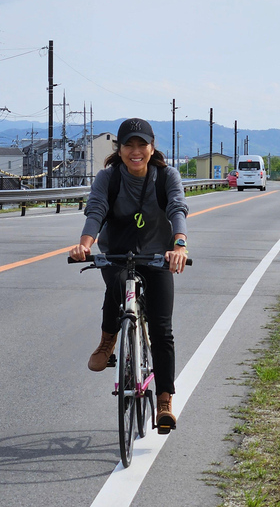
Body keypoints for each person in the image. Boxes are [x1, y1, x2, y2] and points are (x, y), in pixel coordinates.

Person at [69, 117, 189, 433]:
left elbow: (177, 208)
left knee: (162, 329)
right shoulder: (108, 178)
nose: (135, 151)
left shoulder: (166, 177)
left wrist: (179, 244)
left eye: (141, 144)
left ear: (152, 148)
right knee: (118, 285)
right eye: (129, 145)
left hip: (158, 256)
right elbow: (95, 210)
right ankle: (108, 341)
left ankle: (164, 401)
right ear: (119, 149)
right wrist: (84, 245)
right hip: (117, 253)